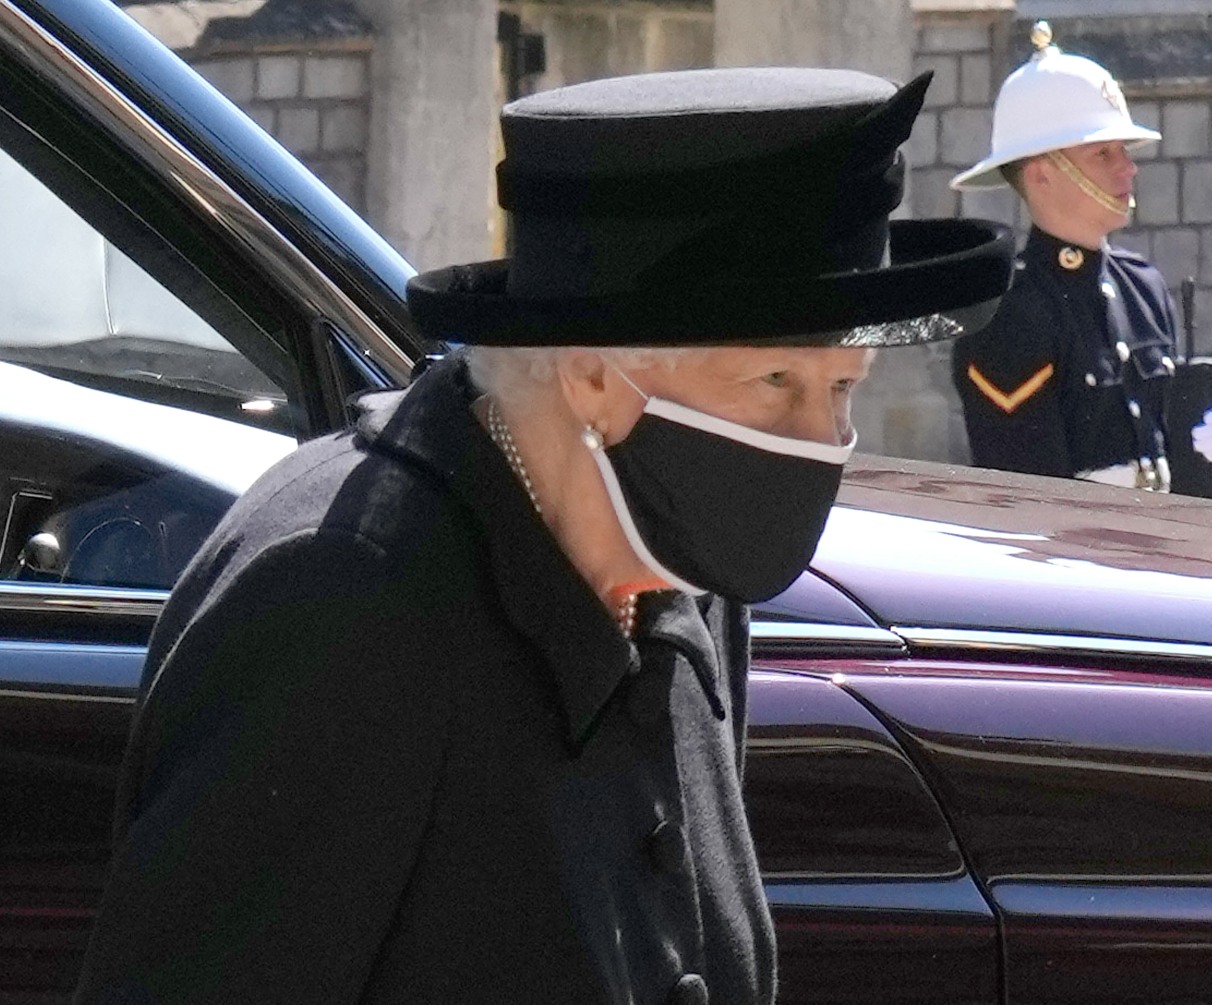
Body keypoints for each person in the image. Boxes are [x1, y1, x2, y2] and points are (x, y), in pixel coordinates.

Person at [74, 67, 1012, 1005]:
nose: (818, 441)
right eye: (775, 383)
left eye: (841, 387)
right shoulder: (344, 601)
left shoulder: (677, 570)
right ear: (596, 375)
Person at [949, 22, 1212, 492]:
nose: (1128, 166)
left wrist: (1208, 457)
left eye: (1123, 150)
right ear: (1042, 174)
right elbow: (1028, 493)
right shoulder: (1009, 312)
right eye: (1103, 153)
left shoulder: (1143, 287)